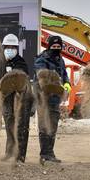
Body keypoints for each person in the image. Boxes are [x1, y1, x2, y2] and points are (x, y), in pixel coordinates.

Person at [0, 34, 33, 163]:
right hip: (6, 99)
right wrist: (0, 88)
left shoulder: (21, 62)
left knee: (21, 126)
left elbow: (24, 81)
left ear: (17, 48)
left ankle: (20, 155)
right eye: (7, 47)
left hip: (19, 100)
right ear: (3, 47)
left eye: (13, 47)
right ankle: (9, 152)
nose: (10, 49)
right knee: (9, 125)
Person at [34, 35, 71, 164]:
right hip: (43, 98)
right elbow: (42, 75)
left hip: (55, 99)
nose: (56, 48)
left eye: (58, 47)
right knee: (44, 126)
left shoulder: (60, 60)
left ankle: (50, 153)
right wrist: (52, 82)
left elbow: (65, 75)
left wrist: (67, 84)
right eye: (54, 46)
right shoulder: (42, 59)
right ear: (49, 46)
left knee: (53, 126)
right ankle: (44, 154)